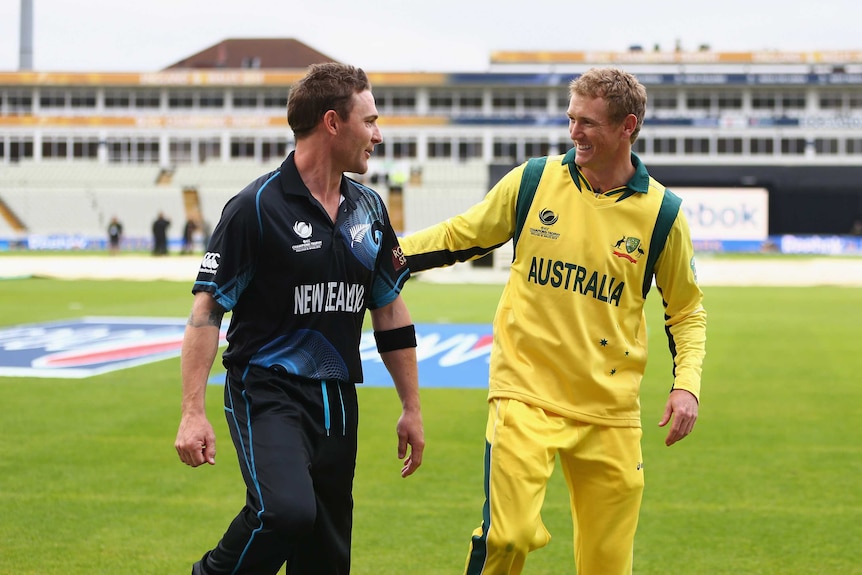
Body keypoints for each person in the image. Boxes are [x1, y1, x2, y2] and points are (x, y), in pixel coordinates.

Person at [400, 67, 707, 575]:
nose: (574, 133)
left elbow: (686, 310)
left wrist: (687, 385)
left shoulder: (663, 214)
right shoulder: (534, 181)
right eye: (571, 119)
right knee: (508, 536)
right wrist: (390, 255)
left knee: (609, 566)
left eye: (587, 122)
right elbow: (463, 234)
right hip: (525, 393)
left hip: (609, 411)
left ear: (627, 125)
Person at [174, 62, 424, 575]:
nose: (379, 135)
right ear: (333, 123)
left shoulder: (370, 210)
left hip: (336, 400)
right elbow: (207, 311)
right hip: (266, 390)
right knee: (286, 512)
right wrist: (192, 411)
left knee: (326, 555)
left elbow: (391, 308)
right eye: (370, 121)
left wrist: (411, 406)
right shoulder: (255, 207)